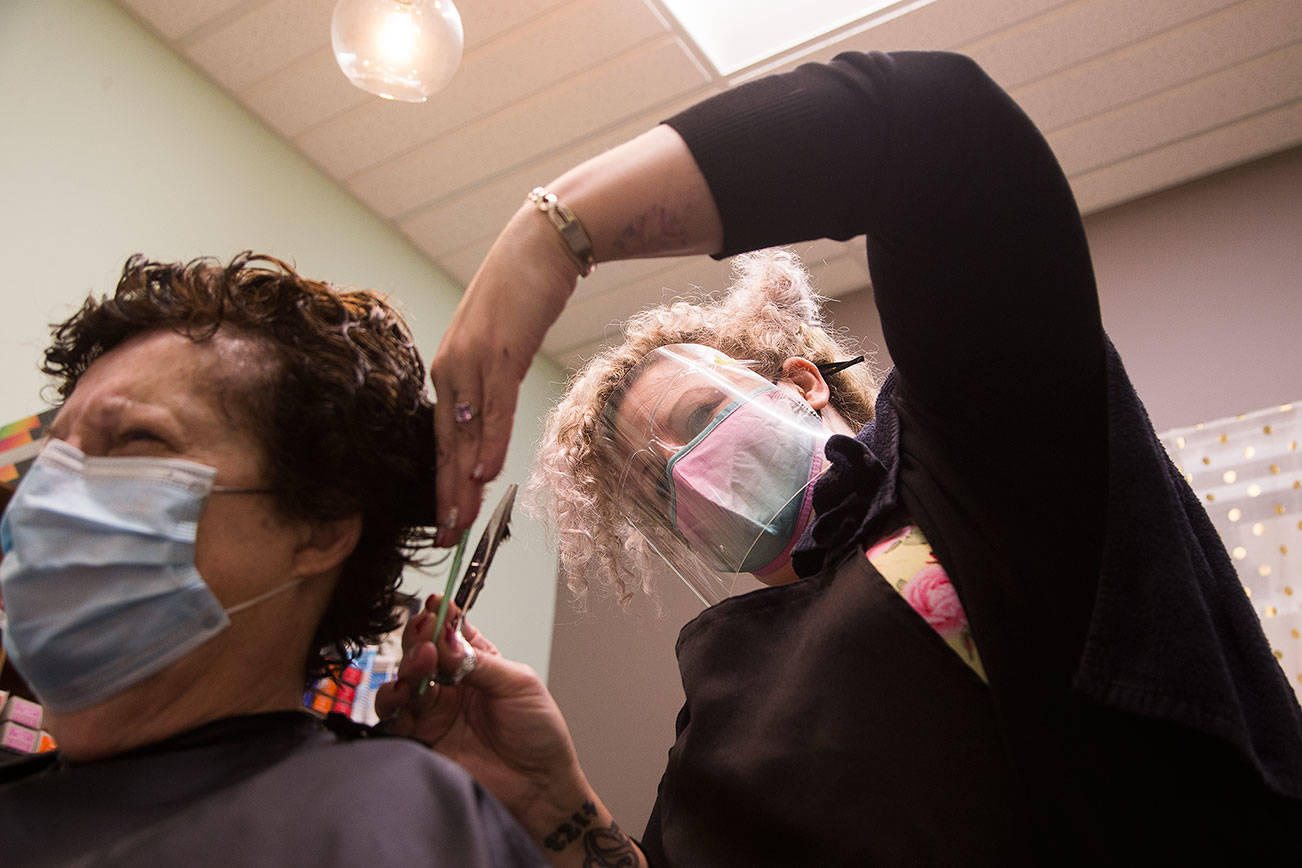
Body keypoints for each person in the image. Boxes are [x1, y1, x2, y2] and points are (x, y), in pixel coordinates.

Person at [387, 50, 1302, 865]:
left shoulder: (972, 451)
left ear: (801, 382)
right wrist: (553, 802)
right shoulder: (721, 699)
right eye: (654, 481)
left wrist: (556, 234)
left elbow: (938, 126)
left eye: (701, 416)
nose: (686, 472)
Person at [0, 253, 545, 866]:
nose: (48, 497)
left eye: (135, 440)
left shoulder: (397, 820)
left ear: (318, 530)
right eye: (53, 459)